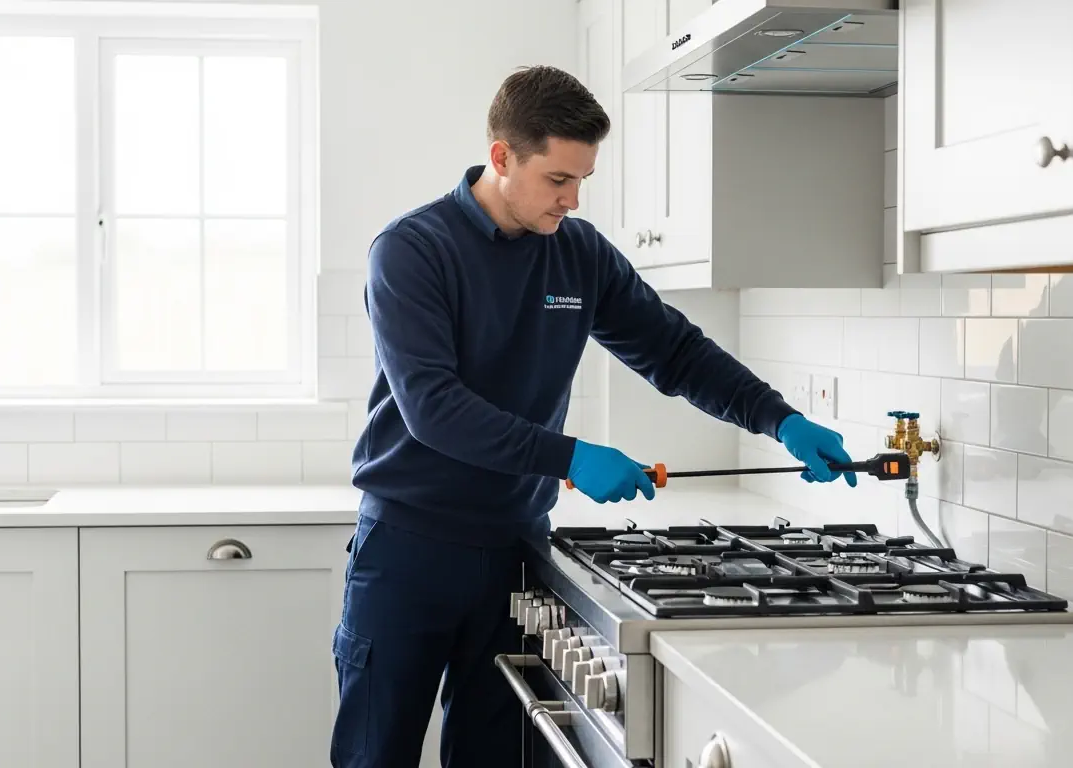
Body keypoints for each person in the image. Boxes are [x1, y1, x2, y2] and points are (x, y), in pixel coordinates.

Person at [330, 65, 856, 768]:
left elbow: (675, 350)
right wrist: (572, 457)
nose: (573, 200)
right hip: (408, 552)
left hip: (517, 556)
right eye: (557, 180)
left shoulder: (577, 254)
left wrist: (778, 419)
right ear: (501, 157)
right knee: (374, 757)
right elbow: (433, 408)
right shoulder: (412, 251)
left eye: (584, 180)